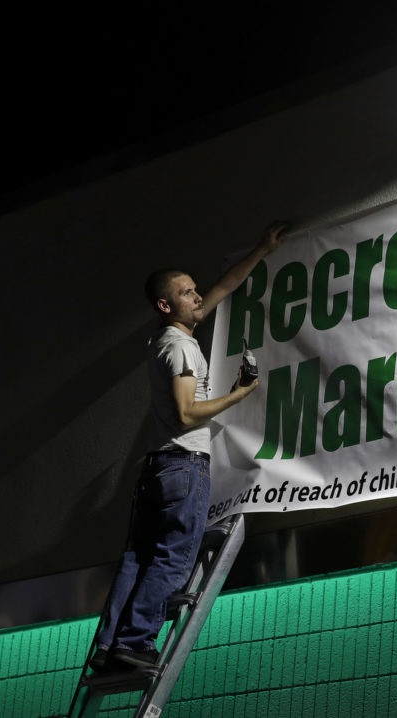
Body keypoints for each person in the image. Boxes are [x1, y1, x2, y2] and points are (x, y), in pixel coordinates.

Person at [91, 221, 288, 670]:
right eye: (186, 292)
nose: (198, 296)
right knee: (174, 556)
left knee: (137, 558)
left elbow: (224, 286)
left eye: (195, 289)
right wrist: (239, 393)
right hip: (184, 464)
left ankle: (108, 648)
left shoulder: (165, 338)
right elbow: (184, 413)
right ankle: (136, 642)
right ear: (165, 304)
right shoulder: (179, 347)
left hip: (159, 467)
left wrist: (262, 248)